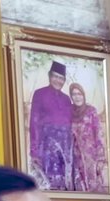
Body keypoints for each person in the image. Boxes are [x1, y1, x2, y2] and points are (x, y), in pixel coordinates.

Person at [29, 61, 74, 190]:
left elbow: (70, 124)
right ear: (49, 76)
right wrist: (34, 151)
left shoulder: (66, 99)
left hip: (65, 148)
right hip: (46, 147)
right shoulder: (39, 94)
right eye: (55, 76)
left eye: (61, 78)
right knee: (47, 184)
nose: (58, 81)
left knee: (64, 185)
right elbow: (34, 122)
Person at [70, 82, 107, 194]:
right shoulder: (68, 112)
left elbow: (99, 135)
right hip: (74, 158)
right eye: (74, 94)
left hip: (91, 158)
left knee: (93, 189)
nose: (77, 97)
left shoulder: (91, 111)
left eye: (79, 94)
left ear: (83, 95)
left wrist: (101, 159)